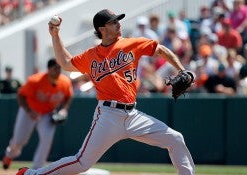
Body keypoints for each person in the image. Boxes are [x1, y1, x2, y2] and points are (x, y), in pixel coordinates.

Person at [16, 9, 195, 175]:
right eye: (113, 22)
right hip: (108, 115)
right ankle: (33, 174)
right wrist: (55, 36)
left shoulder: (131, 44)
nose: (119, 24)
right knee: (82, 162)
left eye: (118, 21)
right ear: (102, 29)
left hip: (133, 115)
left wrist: (181, 70)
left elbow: (161, 49)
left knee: (175, 139)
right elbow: (66, 63)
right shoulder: (91, 55)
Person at [3, 58, 73, 170]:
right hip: (30, 111)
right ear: (49, 69)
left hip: (47, 114)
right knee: (19, 140)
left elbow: (69, 96)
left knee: (47, 139)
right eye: (56, 68)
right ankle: (9, 155)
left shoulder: (65, 82)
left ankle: (37, 169)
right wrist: (29, 111)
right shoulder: (35, 80)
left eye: (60, 68)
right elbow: (20, 95)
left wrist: (64, 109)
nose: (58, 71)